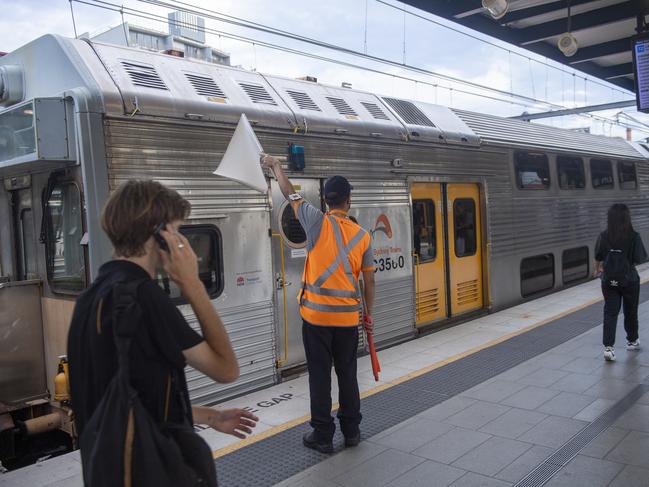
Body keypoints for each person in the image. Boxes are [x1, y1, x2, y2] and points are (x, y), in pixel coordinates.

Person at [67, 180, 258, 483]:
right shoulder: (144, 297)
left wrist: (211, 416)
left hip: (106, 469)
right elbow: (227, 369)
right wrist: (192, 285)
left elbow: (129, 400)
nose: (181, 239)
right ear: (159, 236)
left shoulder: (89, 299)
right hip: (152, 470)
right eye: (176, 230)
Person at [262, 154, 376, 454]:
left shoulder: (314, 221)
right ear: (348, 201)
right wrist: (369, 315)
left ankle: (323, 435)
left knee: (320, 376)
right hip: (348, 321)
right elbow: (369, 283)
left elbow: (289, 193)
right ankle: (351, 431)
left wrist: (275, 166)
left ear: (326, 201)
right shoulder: (363, 237)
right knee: (348, 375)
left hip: (315, 319)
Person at [594, 203, 647, 362]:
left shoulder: (603, 236)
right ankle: (632, 340)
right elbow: (640, 258)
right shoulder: (634, 236)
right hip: (629, 280)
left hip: (609, 280)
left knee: (610, 312)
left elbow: (598, 256)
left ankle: (608, 348)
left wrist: (597, 270)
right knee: (630, 311)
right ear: (627, 218)